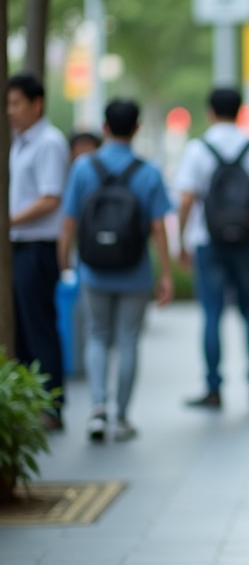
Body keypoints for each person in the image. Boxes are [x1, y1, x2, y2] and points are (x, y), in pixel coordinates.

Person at [58, 100, 173, 442]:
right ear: (136, 129)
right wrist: (165, 273)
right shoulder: (148, 171)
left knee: (97, 334)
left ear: (105, 128)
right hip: (134, 271)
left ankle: (96, 408)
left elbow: (68, 224)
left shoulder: (83, 167)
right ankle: (121, 417)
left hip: (93, 269)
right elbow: (158, 227)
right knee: (128, 341)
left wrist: (64, 262)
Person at [174, 88, 249, 410]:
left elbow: (186, 199)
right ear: (239, 112)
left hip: (210, 242)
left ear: (210, 112)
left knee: (212, 314)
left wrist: (181, 240)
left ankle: (213, 387)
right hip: (248, 242)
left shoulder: (198, 149)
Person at [7, 72, 70, 431]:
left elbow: (51, 197)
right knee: (23, 331)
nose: (10, 111)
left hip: (37, 248)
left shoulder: (48, 142)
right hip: (19, 247)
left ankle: (53, 405)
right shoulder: (20, 142)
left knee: (40, 327)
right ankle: (32, 403)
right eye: (8, 104)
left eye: (16, 103)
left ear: (37, 103)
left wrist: (9, 220)